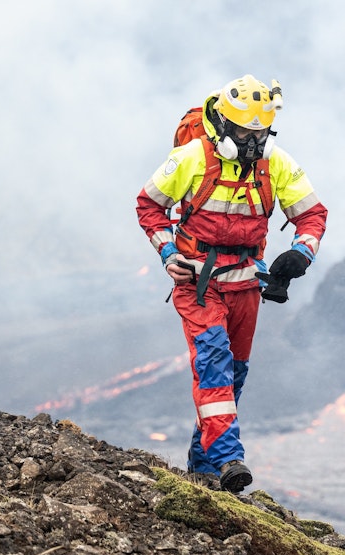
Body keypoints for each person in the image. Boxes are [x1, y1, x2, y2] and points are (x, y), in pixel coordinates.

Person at [135, 75, 328, 493]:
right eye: (243, 131)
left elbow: (312, 214)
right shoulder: (191, 157)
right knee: (214, 362)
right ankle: (228, 459)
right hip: (196, 281)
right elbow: (149, 205)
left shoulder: (276, 164)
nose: (252, 140)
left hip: (245, 284)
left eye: (260, 132)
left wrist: (300, 254)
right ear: (223, 125)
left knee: (233, 374)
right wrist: (168, 255)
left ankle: (203, 470)